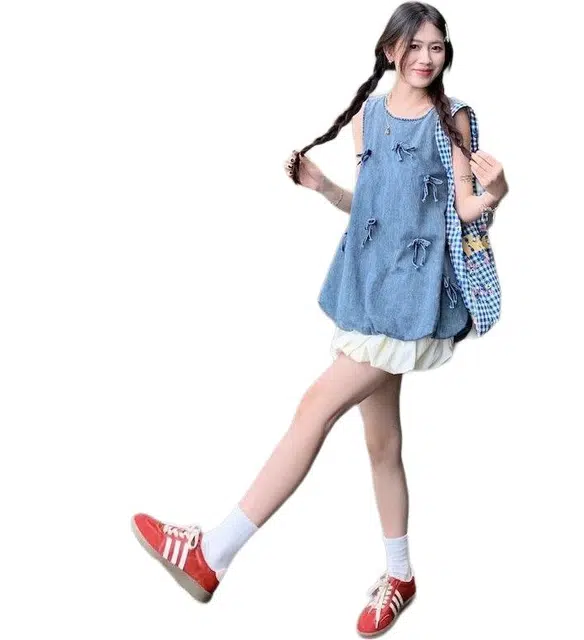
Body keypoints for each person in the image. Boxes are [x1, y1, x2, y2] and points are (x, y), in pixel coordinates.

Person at [131, 2, 509, 637]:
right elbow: (373, 208)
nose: (425, 58)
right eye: (414, 46)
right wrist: (322, 187)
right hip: (364, 290)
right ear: (390, 50)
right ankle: (400, 575)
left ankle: (212, 553)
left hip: (411, 301)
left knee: (314, 408)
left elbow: (467, 208)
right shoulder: (367, 116)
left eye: (437, 47)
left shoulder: (454, 119)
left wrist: (497, 191)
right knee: (382, 445)